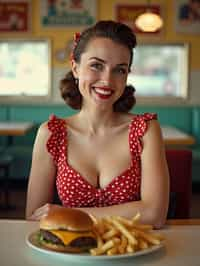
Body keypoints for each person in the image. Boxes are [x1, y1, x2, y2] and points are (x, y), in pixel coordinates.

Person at [26, 20, 169, 228]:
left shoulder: (146, 129)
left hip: (133, 255)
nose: (107, 80)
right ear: (75, 68)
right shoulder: (51, 133)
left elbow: (155, 214)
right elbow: (33, 216)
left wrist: (70, 213)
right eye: (96, 65)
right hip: (69, 253)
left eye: (119, 70)